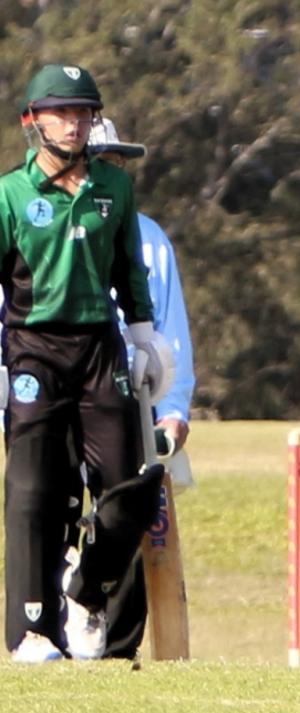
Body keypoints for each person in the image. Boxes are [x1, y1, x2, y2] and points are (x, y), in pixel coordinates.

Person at [1, 63, 172, 663]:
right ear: (34, 121)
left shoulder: (114, 188)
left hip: (102, 348)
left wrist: (147, 334)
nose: (76, 124)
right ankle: (31, 631)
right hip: (34, 350)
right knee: (31, 490)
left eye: (84, 113)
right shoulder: (10, 194)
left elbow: (130, 270)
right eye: (64, 112)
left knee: (132, 487)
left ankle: (87, 594)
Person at [66, 116, 195, 660]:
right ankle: (53, 635)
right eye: (100, 162)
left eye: (117, 163)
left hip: (132, 395)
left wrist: (174, 406)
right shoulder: (45, 225)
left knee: (129, 512)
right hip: (57, 390)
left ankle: (117, 648)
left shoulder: (149, 238)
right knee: (55, 513)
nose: (111, 174)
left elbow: (171, 330)